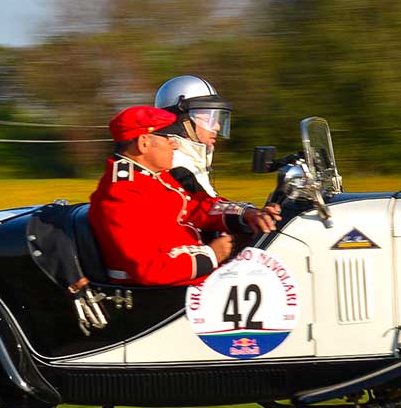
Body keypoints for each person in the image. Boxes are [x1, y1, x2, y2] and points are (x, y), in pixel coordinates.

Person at [88, 106, 233, 285]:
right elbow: (149, 269)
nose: (176, 144)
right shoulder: (121, 194)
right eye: (168, 138)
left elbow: (192, 208)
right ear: (144, 143)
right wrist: (212, 254)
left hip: (190, 280)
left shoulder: (150, 175)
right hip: (166, 292)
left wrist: (241, 216)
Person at [154, 73, 280, 235]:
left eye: (218, 118)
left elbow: (210, 207)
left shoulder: (192, 160)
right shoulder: (176, 165)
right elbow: (200, 209)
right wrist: (245, 214)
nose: (218, 127)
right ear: (181, 121)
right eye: (208, 118)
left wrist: (250, 213)